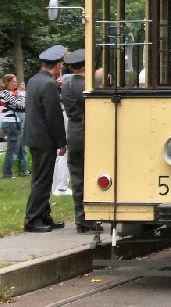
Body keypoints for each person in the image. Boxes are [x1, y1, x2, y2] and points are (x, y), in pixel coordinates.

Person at [23, 45, 68, 233]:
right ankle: (33, 218)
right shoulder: (48, 84)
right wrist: (61, 142)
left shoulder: (34, 80)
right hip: (44, 139)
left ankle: (43, 215)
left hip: (34, 136)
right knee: (42, 180)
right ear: (57, 66)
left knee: (41, 178)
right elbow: (54, 116)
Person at [60, 49, 102, 232]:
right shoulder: (86, 86)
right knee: (88, 177)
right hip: (87, 134)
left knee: (77, 178)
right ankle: (88, 218)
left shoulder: (67, 85)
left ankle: (80, 217)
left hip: (74, 132)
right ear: (85, 66)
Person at [1, 74, 27, 178]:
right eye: (13, 82)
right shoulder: (6, 93)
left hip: (14, 121)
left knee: (15, 148)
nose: (15, 83)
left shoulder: (9, 93)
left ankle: (12, 171)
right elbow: (19, 105)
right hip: (10, 121)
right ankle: (7, 173)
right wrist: (21, 94)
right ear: (7, 82)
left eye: (16, 81)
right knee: (12, 149)